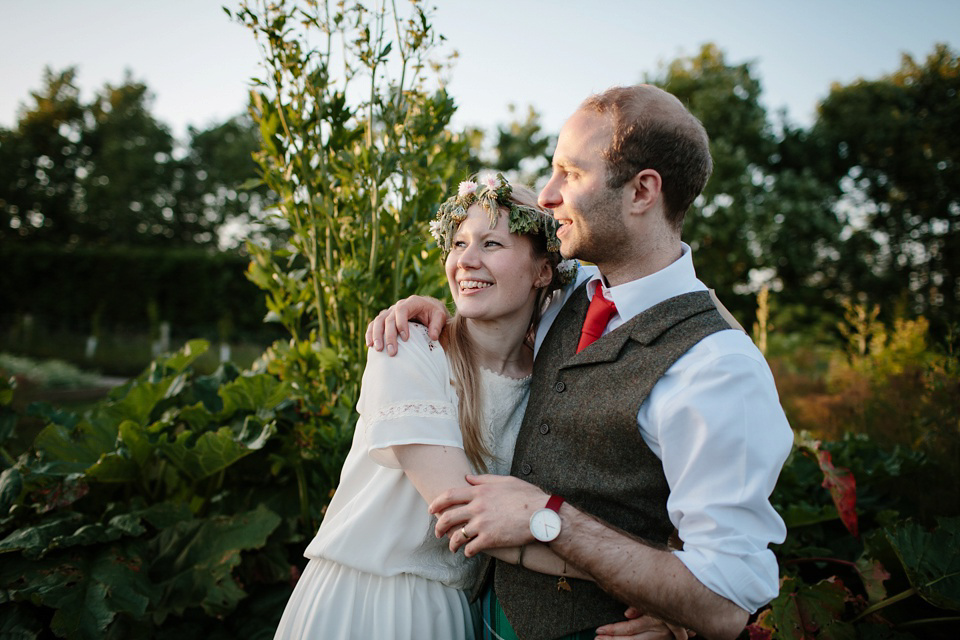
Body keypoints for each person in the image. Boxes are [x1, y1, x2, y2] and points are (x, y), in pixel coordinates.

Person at [366, 85, 794, 640]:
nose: (547, 194)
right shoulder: (573, 288)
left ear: (643, 191)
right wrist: (429, 310)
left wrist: (551, 521)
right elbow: (491, 293)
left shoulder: (716, 369)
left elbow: (724, 601)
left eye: (570, 173)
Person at [274, 175, 669, 640]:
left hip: (454, 612)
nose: (466, 260)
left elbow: (660, 281)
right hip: (366, 603)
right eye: (458, 242)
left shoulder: (547, 379)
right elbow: (464, 514)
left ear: (543, 271)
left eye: (492, 243)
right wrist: (649, 585)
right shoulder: (408, 348)